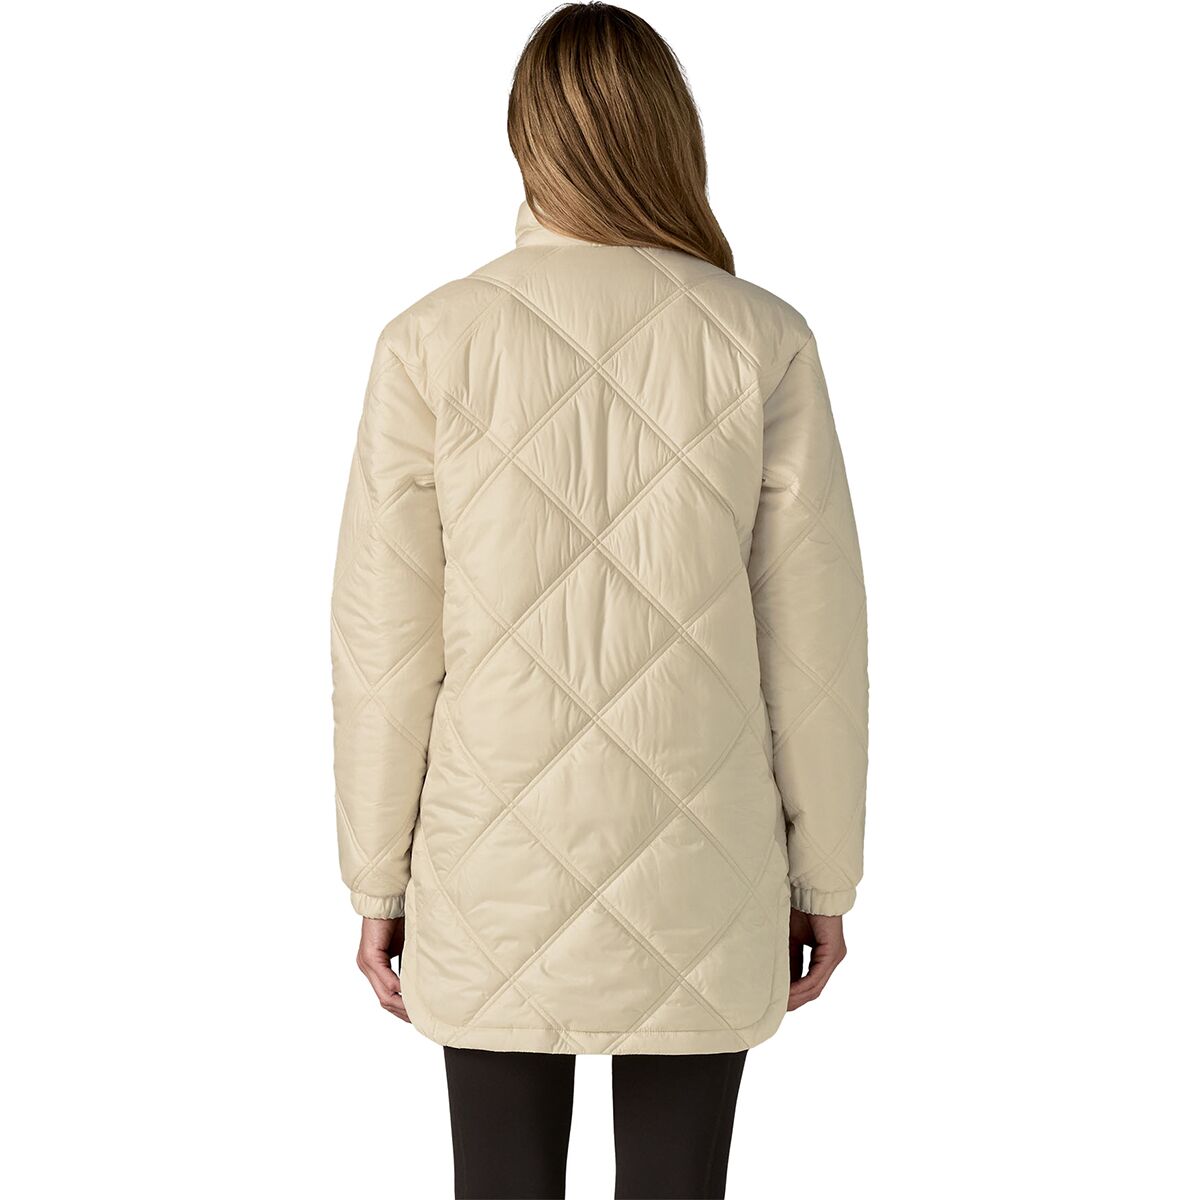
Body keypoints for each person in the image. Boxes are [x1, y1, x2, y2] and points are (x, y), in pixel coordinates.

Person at [331, 4, 868, 1197]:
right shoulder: (762, 340)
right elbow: (816, 646)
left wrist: (376, 880)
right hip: (704, 865)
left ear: (525, 137)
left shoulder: (429, 342)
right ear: (672, 134)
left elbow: (383, 649)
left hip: (487, 863)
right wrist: (825, 875)